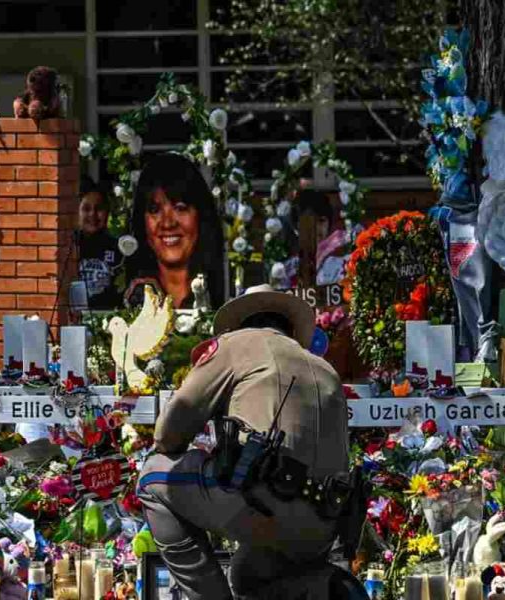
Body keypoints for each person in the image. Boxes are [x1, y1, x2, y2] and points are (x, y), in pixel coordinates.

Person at [137, 284, 349, 599]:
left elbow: (168, 433)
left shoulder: (236, 344)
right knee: (246, 574)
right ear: (289, 328)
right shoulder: (326, 369)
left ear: (239, 324)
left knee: (151, 476)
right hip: (322, 526)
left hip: (262, 500)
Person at [126, 153, 226, 309]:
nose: (168, 223)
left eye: (180, 208)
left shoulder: (229, 294)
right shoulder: (126, 297)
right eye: (155, 210)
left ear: (200, 215)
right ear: (142, 221)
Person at [77, 179, 121, 310]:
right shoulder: (69, 247)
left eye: (99, 208)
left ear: (107, 212)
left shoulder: (118, 248)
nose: (93, 214)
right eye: (86, 209)